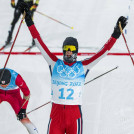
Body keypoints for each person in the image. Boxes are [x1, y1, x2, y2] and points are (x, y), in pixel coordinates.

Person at [19, 2, 127, 134]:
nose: (68, 52)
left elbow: (103, 52)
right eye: (65, 49)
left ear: (76, 51)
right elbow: (39, 42)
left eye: (71, 49)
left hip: (74, 116)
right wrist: (29, 22)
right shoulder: (54, 63)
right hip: (56, 116)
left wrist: (115, 34)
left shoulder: (84, 66)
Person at [0, 68, 39, 134]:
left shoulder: (17, 78)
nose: (4, 86)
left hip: (13, 95)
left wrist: (23, 109)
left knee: (22, 117)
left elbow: (27, 93)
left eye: (6, 84)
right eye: (2, 85)